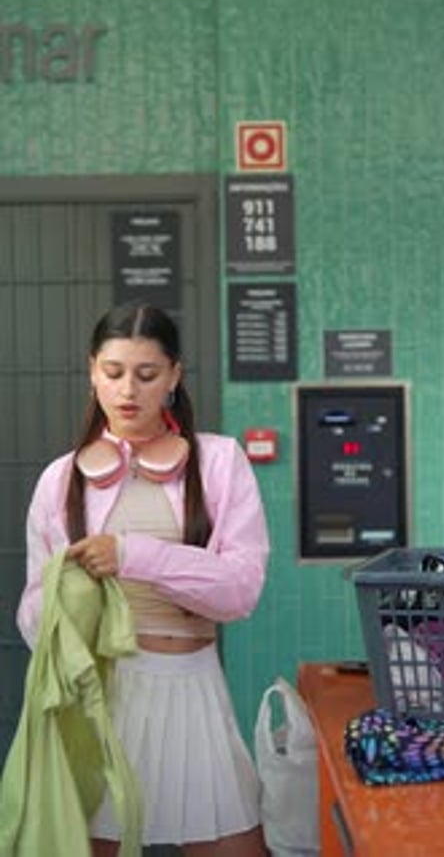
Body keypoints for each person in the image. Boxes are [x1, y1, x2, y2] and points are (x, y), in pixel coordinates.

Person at [16, 303, 271, 857]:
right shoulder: (61, 479)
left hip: (194, 688)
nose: (127, 389)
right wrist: (65, 598)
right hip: (101, 700)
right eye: (113, 372)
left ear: (174, 376)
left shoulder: (221, 462)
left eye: (147, 374)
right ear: (91, 372)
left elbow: (241, 589)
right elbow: (33, 619)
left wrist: (134, 555)